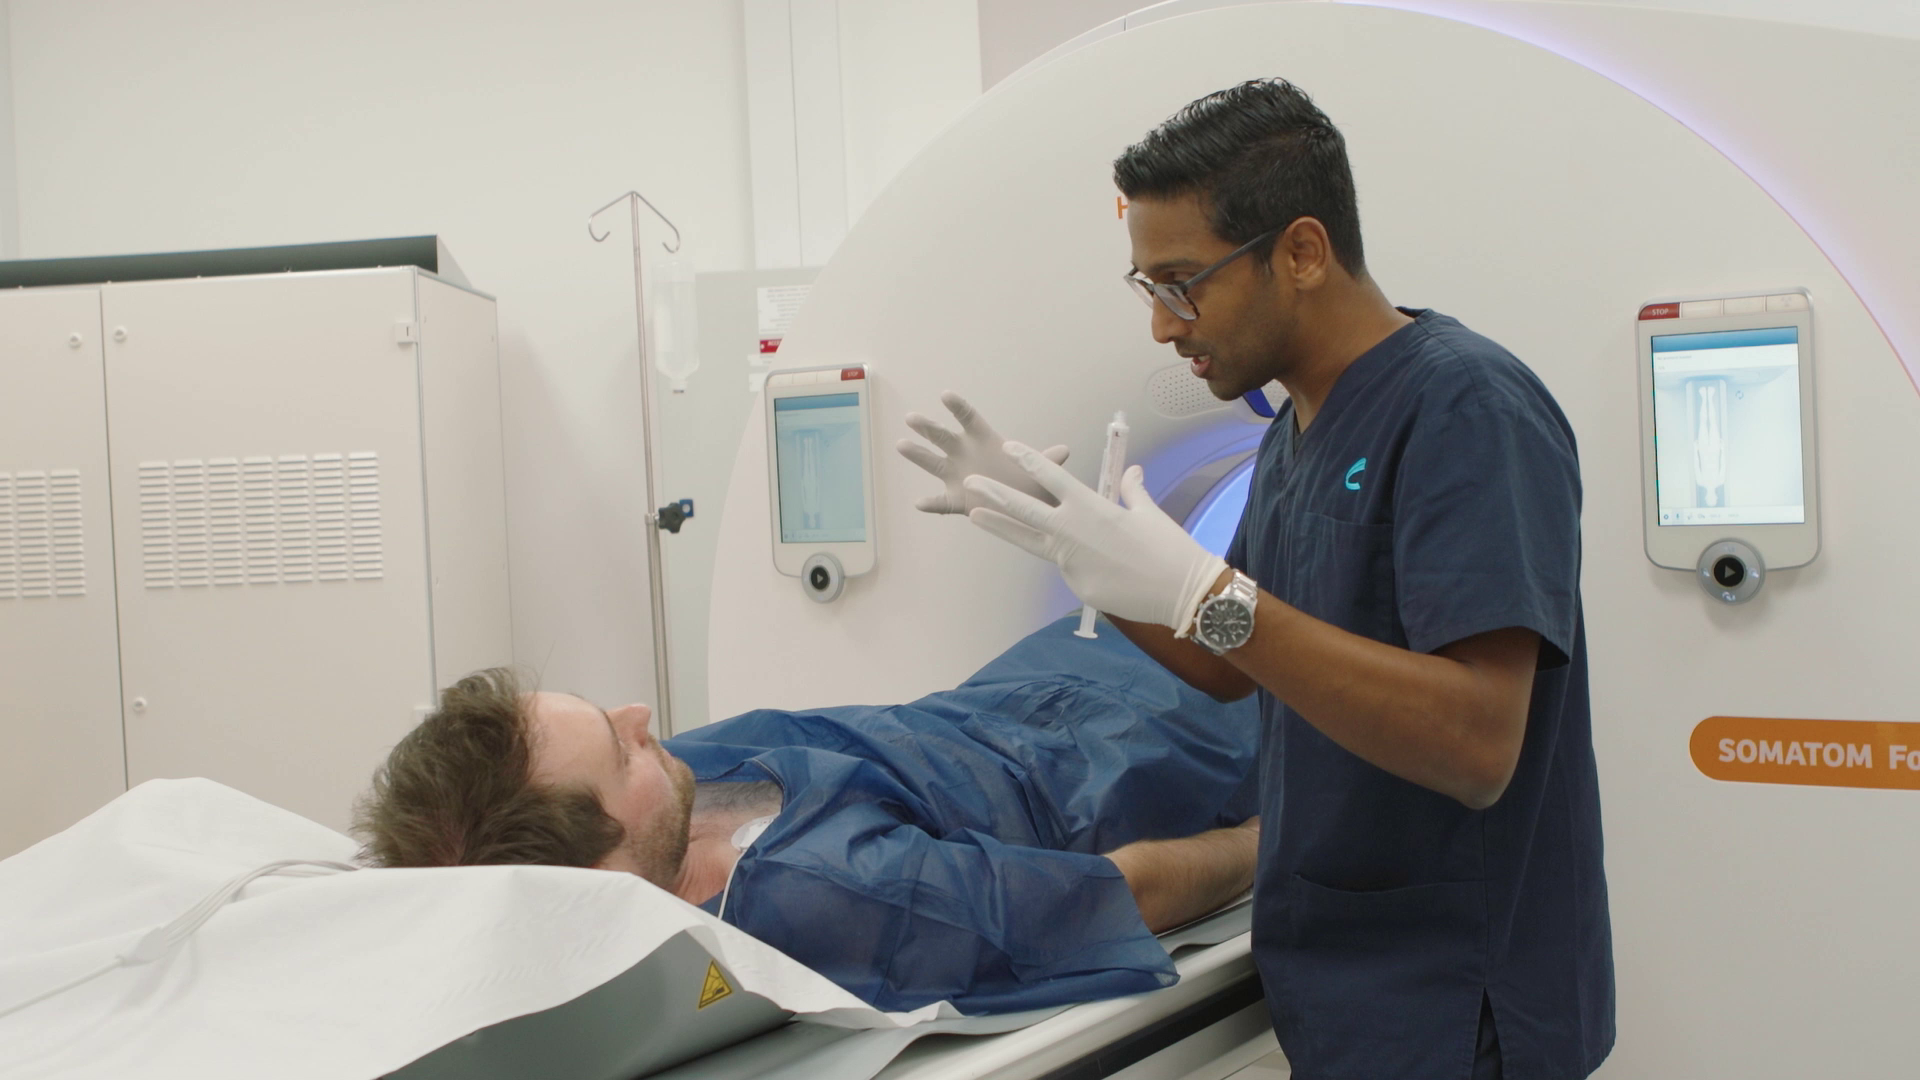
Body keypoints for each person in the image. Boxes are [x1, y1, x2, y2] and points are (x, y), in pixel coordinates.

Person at [900, 80, 1613, 1078]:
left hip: (1460, 1001)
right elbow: (1233, 665)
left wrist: (1205, 591)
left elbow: (1477, 743)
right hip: (1340, 983)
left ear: (1303, 252)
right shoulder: (1294, 432)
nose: (1162, 325)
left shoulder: (1466, 408)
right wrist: (1076, 548)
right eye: (1147, 288)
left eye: (1181, 282)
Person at [354, 616, 1260, 1013]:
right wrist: (1284, 836)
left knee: (1261, 558)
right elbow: (1119, 898)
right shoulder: (832, 893)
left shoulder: (662, 804)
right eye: (618, 747)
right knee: (1323, 598)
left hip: (1030, 683)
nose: (641, 717)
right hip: (1146, 746)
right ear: (606, 874)